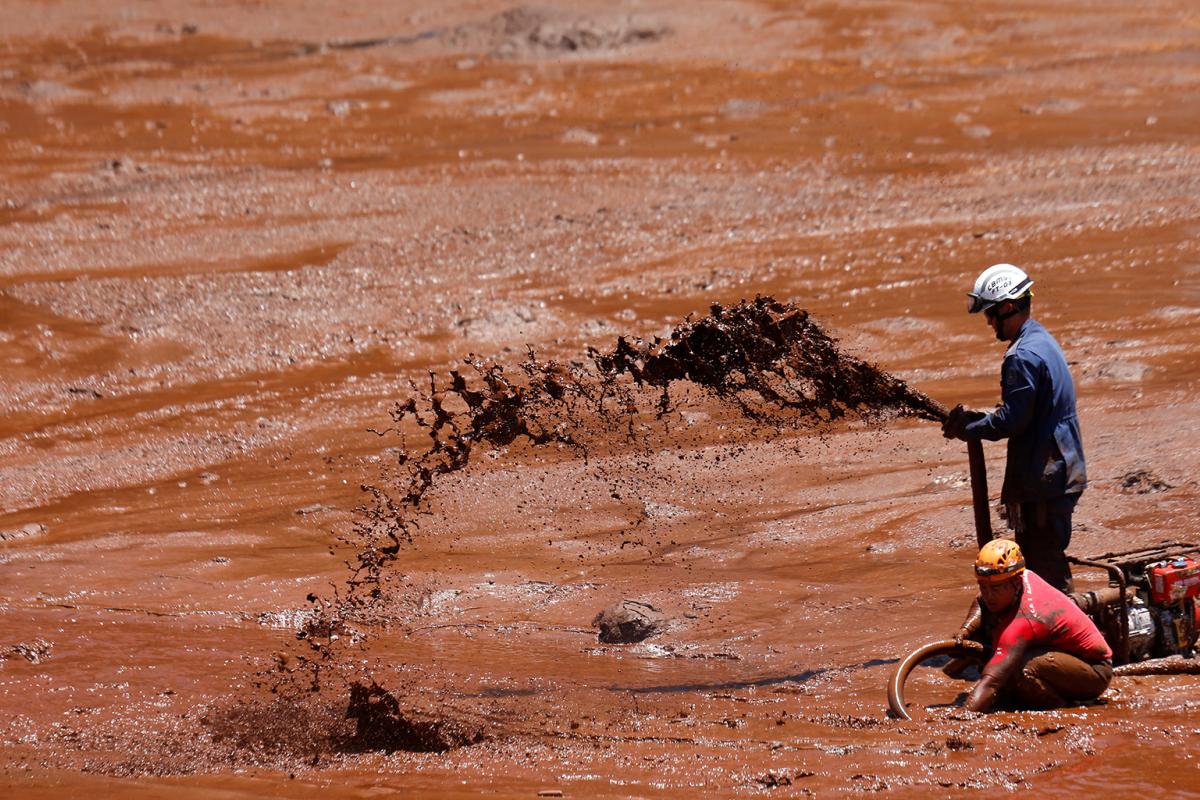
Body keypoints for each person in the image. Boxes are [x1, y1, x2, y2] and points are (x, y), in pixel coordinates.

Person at [942, 263, 1086, 592]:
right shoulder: (1042, 339)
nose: (990, 322)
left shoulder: (1020, 356)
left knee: (1044, 570)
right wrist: (976, 420)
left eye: (991, 314)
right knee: (1045, 559)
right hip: (1064, 469)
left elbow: (1012, 420)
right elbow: (1026, 411)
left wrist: (970, 427)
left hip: (1046, 477)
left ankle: (1066, 636)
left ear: (1008, 307)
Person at [951, 539, 1112, 712]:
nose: (988, 595)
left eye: (996, 589)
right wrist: (966, 630)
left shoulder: (1024, 618)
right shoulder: (1020, 576)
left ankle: (1059, 706)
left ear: (1016, 582)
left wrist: (964, 715)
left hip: (1095, 670)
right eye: (983, 586)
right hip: (1060, 653)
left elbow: (991, 682)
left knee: (1019, 669)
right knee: (1006, 664)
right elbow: (980, 600)